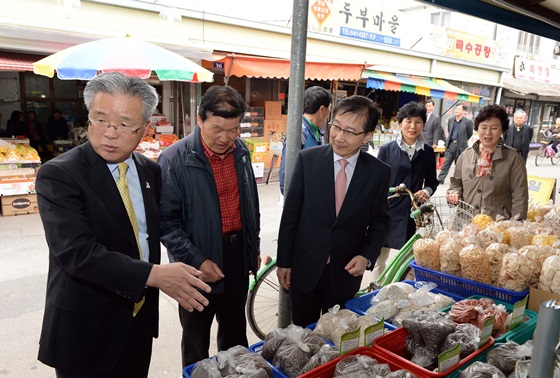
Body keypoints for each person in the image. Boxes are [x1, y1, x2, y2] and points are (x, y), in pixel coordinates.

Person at [36, 72, 211, 378]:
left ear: (144, 128)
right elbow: (77, 253)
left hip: (137, 321)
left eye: (124, 124)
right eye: (100, 120)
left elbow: (146, 235)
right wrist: (155, 275)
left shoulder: (150, 171)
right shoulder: (60, 175)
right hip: (86, 328)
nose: (110, 133)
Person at [159, 85, 261, 367]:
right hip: (196, 264)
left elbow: (249, 204)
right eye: (217, 128)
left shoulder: (241, 151)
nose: (225, 138)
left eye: (233, 129)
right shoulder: (174, 159)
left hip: (236, 255)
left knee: (235, 336)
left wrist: (252, 250)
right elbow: (165, 222)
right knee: (196, 339)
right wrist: (196, 259)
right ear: (199, 119)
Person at [276, 95, 391, 327]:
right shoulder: (308, 160)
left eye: (349, 131)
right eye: (336, 126)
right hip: (305, 267)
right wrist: (284, 262)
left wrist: (367, 255)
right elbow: (291, 215)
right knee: (301, 335)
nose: (339, 137)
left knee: (339, 338)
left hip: (345, 273)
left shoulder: (379, 172)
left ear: (367, 136)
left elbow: (380, 221)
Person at [447, 104, 528, 220]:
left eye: (494, 128)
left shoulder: (514, 159)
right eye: (483, 127)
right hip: (465, 226)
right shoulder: (465, 156)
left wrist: (515, 227)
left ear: (502, 130)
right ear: (477, 128)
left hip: (497, 229)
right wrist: (453, 192)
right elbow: (455, 183)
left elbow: (520, 197)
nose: (488, 132)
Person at [377, 101, 439, 251]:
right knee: (380, 256)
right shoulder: (387, 149)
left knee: (405, 257)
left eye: (418, 122)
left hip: (413, 213)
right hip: (388, 209)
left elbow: (432, 182)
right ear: (400, 123)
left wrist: (426, 191)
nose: (413, 126)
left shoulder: (428, 152)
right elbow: (377, 182)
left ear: (423, 124)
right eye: (408, 121)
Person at [279, 86, 332, 194]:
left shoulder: (317, 132)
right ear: (322, 109)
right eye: (329, 107)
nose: (330, 112)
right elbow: (286, 173)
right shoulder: (299, 133)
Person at [437, 103, 473, 184]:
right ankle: (440, 179)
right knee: (446, 163)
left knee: (459, 165)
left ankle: (459, 180)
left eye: (459, 109)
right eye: (456, 109)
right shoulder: (451, 120)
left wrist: (463, 140)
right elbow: (450, 131)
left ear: (463, 111)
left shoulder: (468, 122)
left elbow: (469, 133)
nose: (456, 111)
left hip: (461, 146)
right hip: (451, 144)